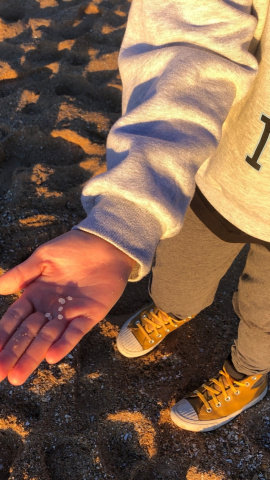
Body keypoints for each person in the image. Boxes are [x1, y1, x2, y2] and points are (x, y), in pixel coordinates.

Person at [0, 0, 269, 432]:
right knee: (180, 275)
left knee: (266, 322)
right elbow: (189, 30)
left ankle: (250, 374)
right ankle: (174, 309)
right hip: (220, 177)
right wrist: (121, 226)